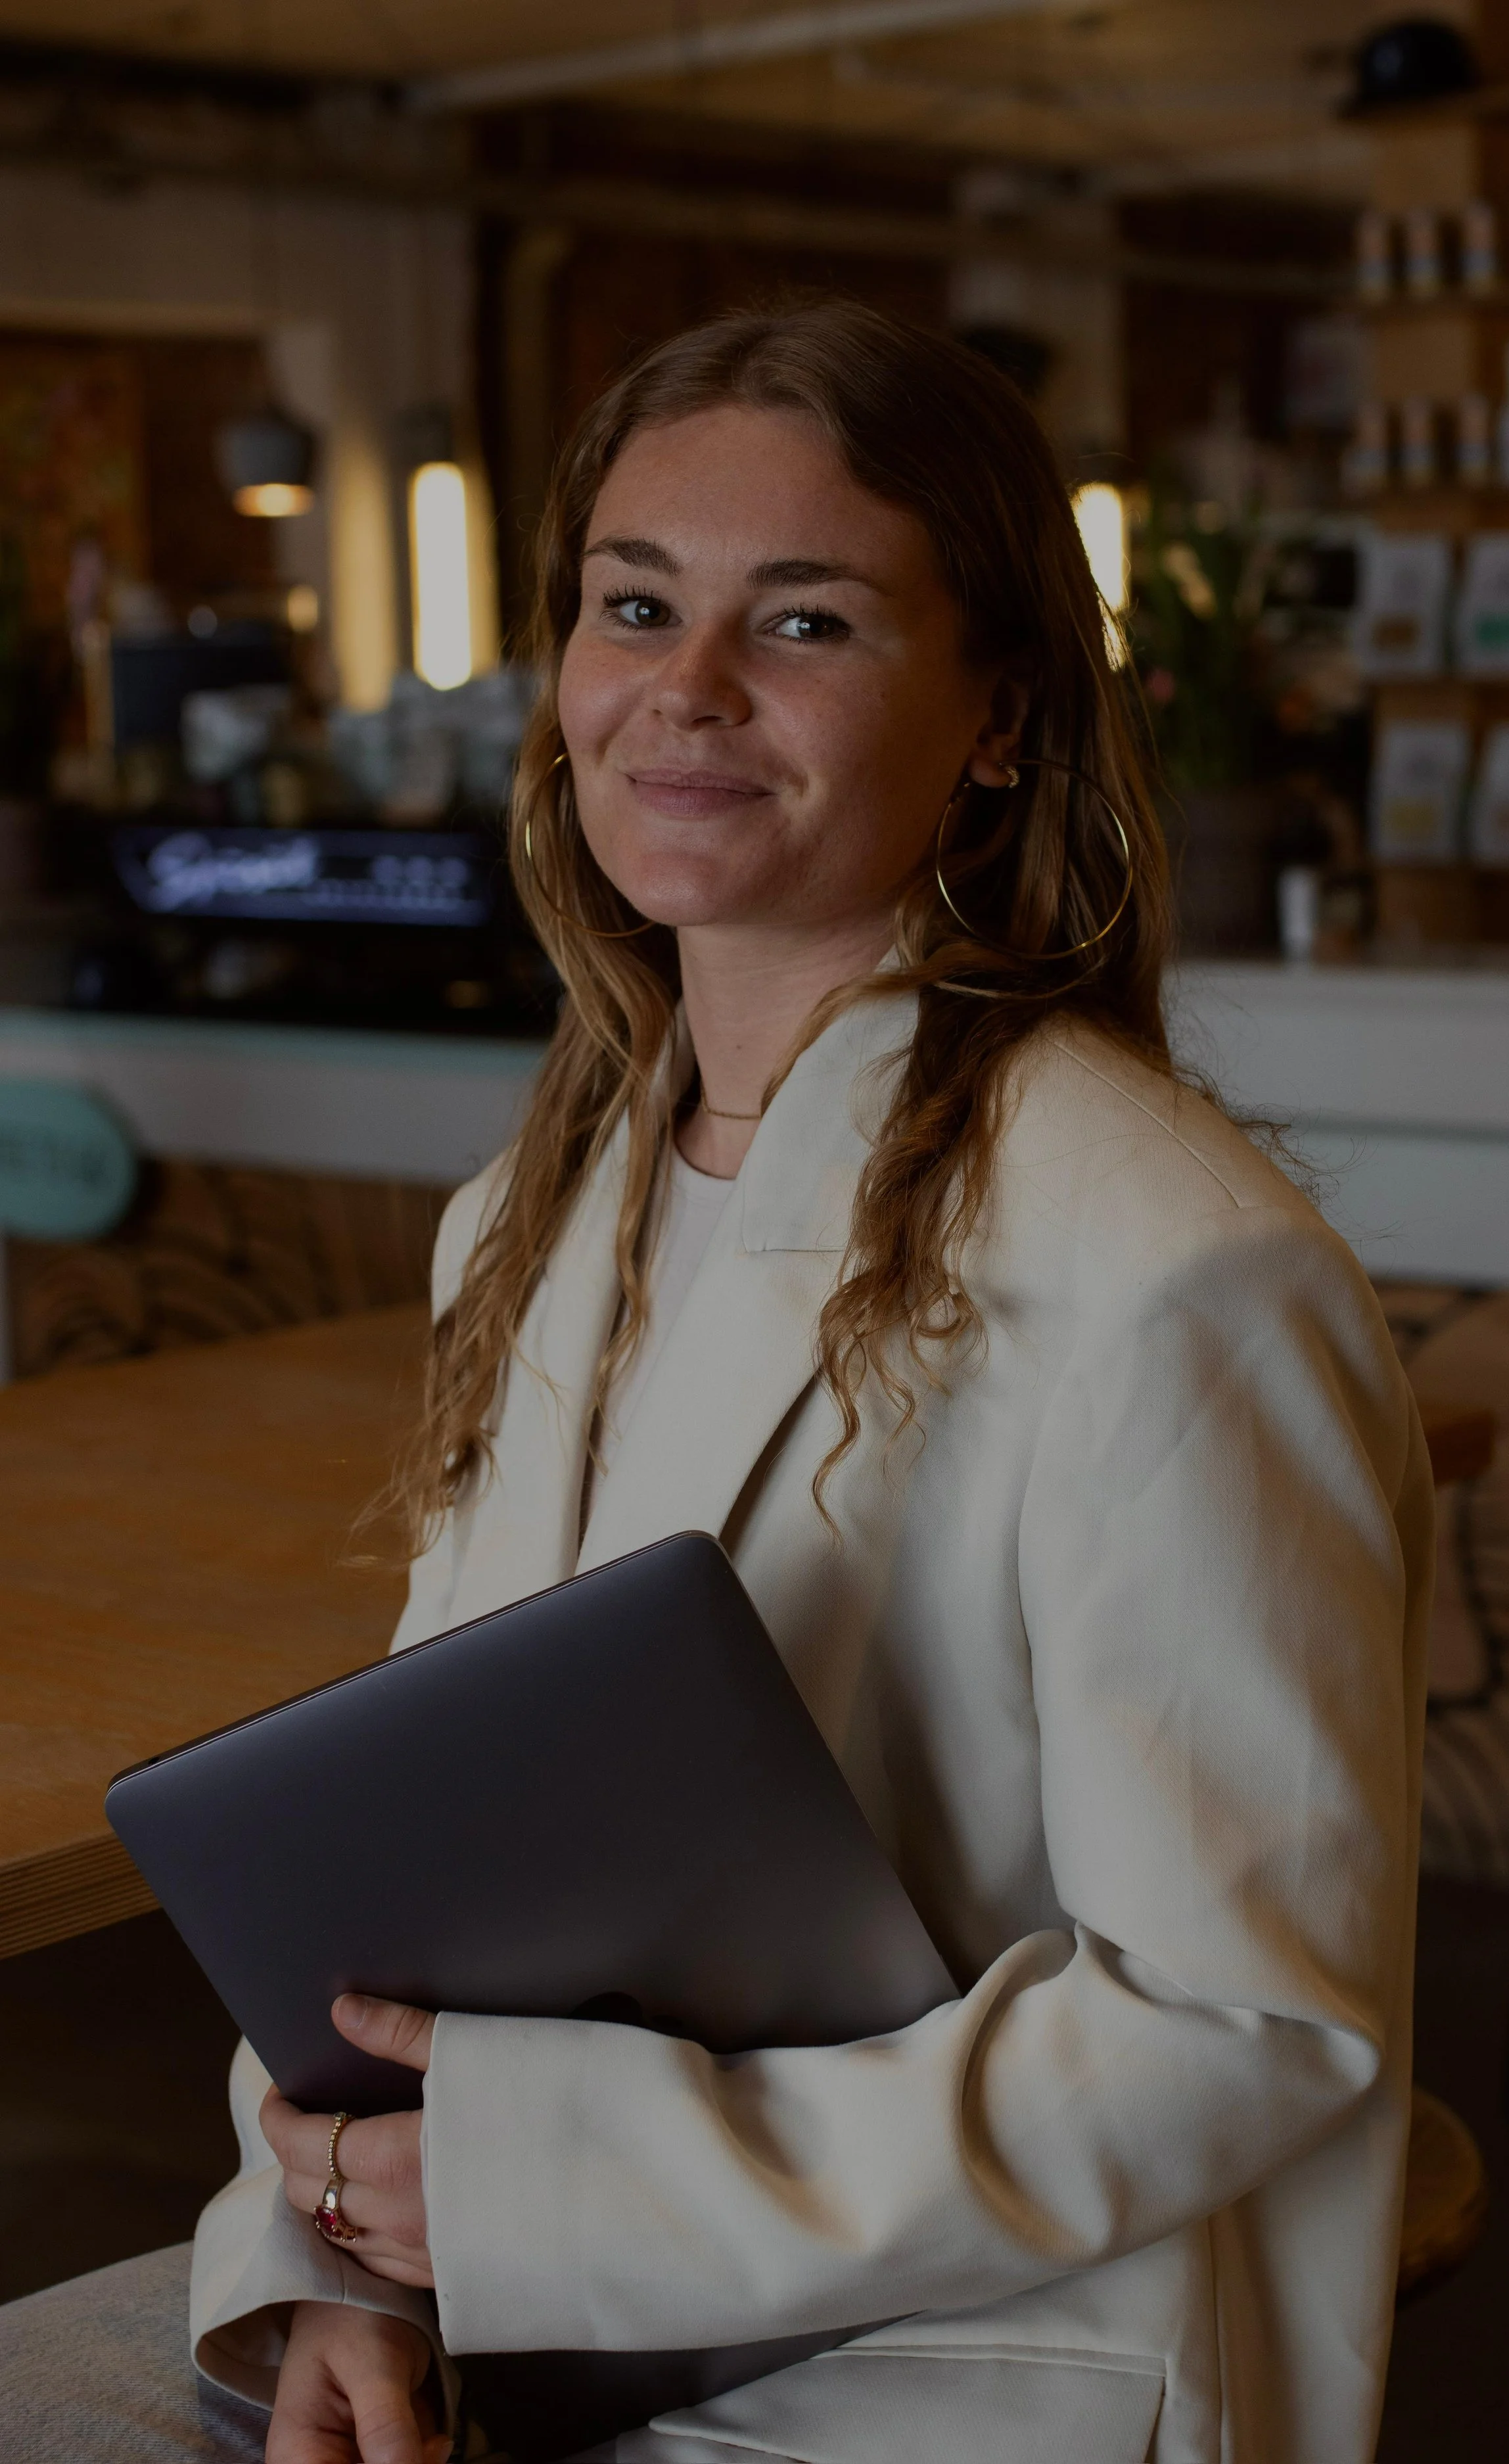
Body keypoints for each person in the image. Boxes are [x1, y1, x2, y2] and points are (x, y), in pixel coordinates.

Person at [1, 301, 1431, 2464]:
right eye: (633, 604)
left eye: (807, 620)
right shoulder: (533, 1208)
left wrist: (517, 2192)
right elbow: (396, 1871)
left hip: (953, 2382)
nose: (684, 688)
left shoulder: (1172, 1266)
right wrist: (333, 2259)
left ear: (996, 719)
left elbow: (1238, 2027)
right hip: (525, 2336)